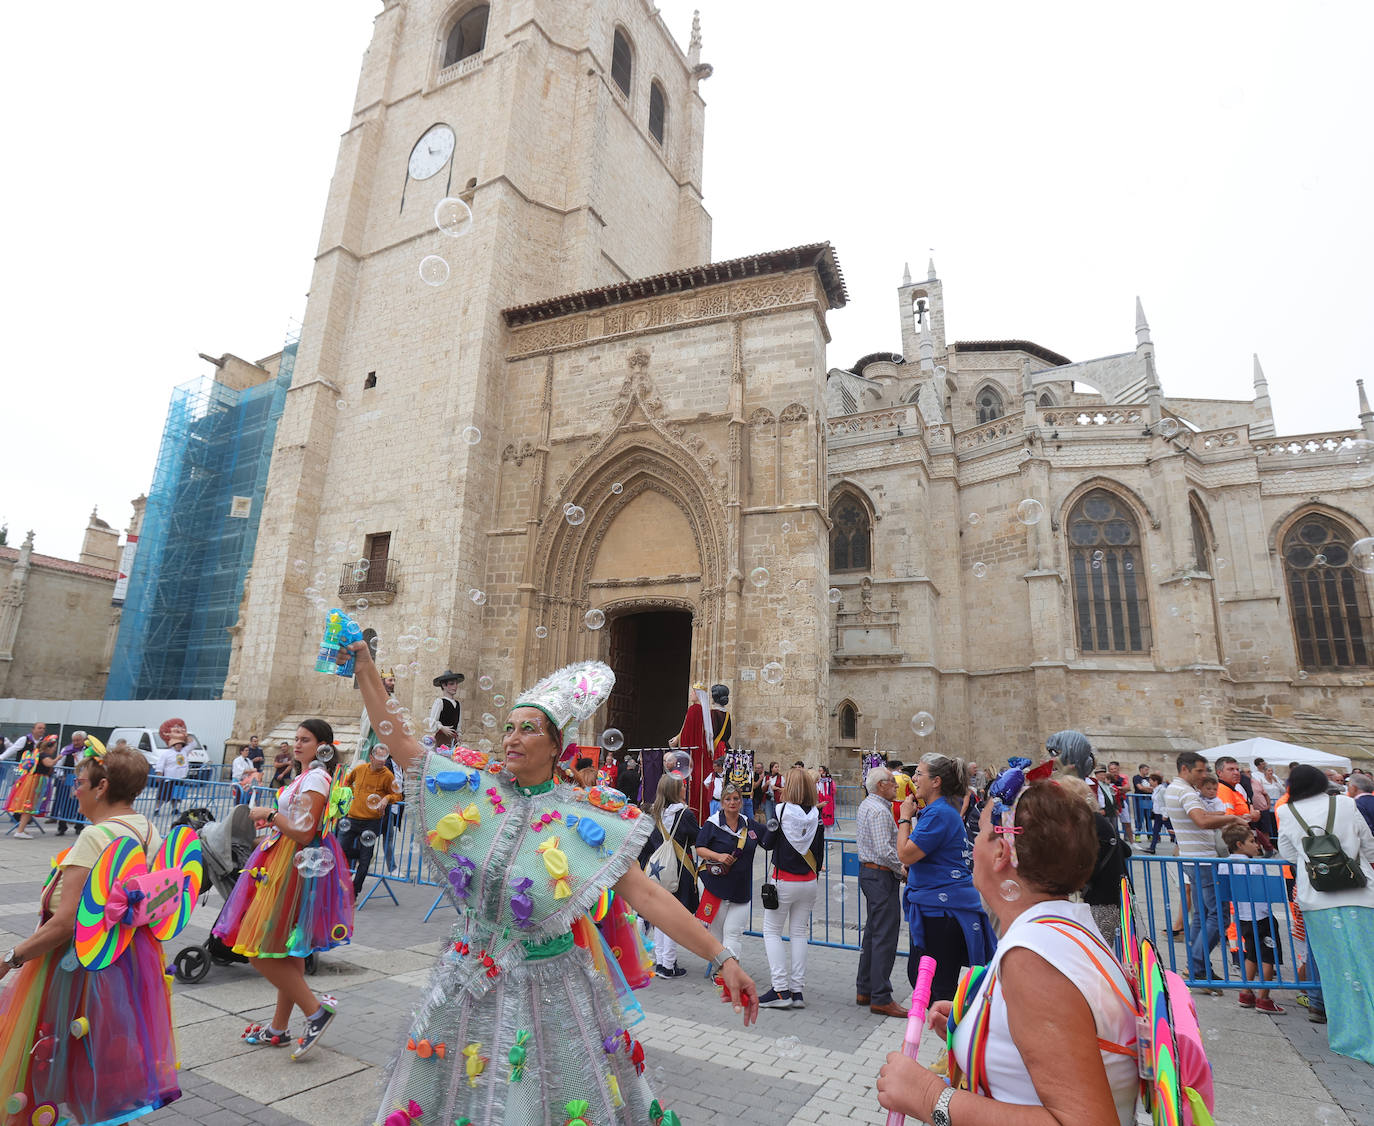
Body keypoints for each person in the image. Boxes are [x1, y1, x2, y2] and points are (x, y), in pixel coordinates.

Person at [349, 645, 758, 1124]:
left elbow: (648, 896)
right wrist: (364, 669)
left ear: (556, 746)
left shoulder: (584, 818)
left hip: (550, 992)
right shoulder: (476, 789)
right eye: (509, 727)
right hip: (465, 983)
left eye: (528, 729)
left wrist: (721, 956)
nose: (512, 738)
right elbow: (402, 743)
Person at [876, 773, 1141, 1126]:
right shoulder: (1065, 926)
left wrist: (930, 1098)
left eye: (982, 834)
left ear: (1002, 852)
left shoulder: (1034, 958)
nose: (973, 847)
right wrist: (977, 1021)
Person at [0, 745, 180, 1122]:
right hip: (125, 964)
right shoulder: (149, 829)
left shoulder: (95, 838)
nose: (73, 790)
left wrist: (11, 958)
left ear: (101, 787)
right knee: (100, 1057)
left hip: (75, 966)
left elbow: (66, 923)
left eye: (79, 783)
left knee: (50, 1057)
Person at [212, 719, 354, 1058]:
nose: (298, 743)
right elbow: (297, 827)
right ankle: (278, 1028)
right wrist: (272, 832)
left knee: (257, 948)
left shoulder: (317, 778)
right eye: (297, 737)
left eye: (305, 739)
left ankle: (316, 1013)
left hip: (294, 866)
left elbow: (305, 833)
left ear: (324, 746)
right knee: (287, 951)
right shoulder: (305, 776)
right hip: (284, 859)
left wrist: (271, 815)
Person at [1277, 764, 1374, 1064]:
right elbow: (1368, 845)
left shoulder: (1286, 812)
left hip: (1317, 901)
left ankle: (1351, 1036)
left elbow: (1289, 855)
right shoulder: (1345, 803)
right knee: (1368, 963)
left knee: (1338, 973)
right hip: (1360, 895)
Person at [897, 752, 994, 1003]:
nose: (914, 778)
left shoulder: (938, 813)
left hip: (941, 911)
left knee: (935, 986)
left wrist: (905, 816)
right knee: (929, 980)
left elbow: (905, 854)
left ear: (936, 781)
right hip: (940, 906)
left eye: (919, 773)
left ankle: (951, 1038)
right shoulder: (941, 811)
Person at [1164, 752, 1245, 991]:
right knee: (1219, 916)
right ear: (1185, 769)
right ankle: (1196, 967)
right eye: (1199, 771)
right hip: (1203, 860)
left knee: (1201, 915)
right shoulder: (1187, 791)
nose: (1204, 776)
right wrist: (1232, 818)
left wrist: (1220, 815)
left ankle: (1198, 967)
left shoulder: (1175, 789)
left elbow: (1200, 816)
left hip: (1193, 858)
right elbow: (1201, 820)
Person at [759, 766, 825, 1009]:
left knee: (772, 931)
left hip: (784, 880)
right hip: (808, 881)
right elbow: (819, 853)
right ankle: (797, 991)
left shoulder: (780, 810)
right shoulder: (816, 815)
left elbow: (767, 843)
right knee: (799, 933)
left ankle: (780, 989)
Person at [855, 766, 907, 1018]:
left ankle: (865, 989)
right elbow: (885, 850)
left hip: (872, 874)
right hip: (879, 875)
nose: (897, 785)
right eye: (892, 782)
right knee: (884, 935)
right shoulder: (878, 810)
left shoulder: (870, 805)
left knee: (874, 932)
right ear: (880, 785)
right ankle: (881, 996)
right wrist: (902, 869)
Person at [1058, 775, 1131, 949]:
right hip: (1109, 897)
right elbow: (1125, 850)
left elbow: (1088, 866)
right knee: (1096, 952)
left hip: (1101, 900)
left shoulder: (1089, 823)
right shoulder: (1097, 819)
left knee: (1096, 953)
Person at [640, 773, 701, 978]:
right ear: (676, 791)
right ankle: (669, 964)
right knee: (674, 918)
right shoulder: (685, 814)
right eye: (682, 786)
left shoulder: (654, 813)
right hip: (679, 871)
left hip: (658, 870)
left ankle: (660, 960)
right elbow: (697, 838)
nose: (685, 789)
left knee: (660, 917)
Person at [1220, 823, 1285, 1013]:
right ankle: (1264, 998)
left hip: (1242, 917)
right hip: (1261, 916)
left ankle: (1246, 992)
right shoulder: (1253, 866)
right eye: (1252, 841)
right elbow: (1264, 892)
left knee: (1251, 954)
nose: (1257, 845)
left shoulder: (1224, 864)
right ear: (1240, 844)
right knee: (1268, 957)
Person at [695, 782, 759, 964]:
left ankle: (729, 971)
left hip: (741, 888)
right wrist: (718, 856)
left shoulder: (749, 824)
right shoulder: (712, 824)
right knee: (717, 932)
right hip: (716, 887)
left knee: (733, 932)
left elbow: (769, 840)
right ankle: (720, 969)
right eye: (728, 799)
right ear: (722, 802)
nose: (732, 802)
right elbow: (699, 848)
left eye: (736, 799)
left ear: (741, 802)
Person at [340, 745, 399, 895]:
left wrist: (386, 798)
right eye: (379, 757)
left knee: (364, 863)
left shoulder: (388, 775)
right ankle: (363, 854)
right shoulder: (359, 770)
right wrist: (351, 794)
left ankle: (354, 892)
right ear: (371, 757)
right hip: (352, 818)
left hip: (372, 822)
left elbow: (398, 795)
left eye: (384, 757)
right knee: (340, 850)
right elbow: (347, 782)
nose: (382, 761)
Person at [669, 683, 731, 820]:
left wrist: (678, 741)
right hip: (720, 749)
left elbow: (688, 733)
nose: (691, 694)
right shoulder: (715, 713)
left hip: (705, 752)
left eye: (692, 692)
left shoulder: (697, 710)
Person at [5, 734, 58, 838]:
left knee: (29, 807)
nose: (54, 750)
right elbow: (49, 764)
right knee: (29, 807)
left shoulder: (38, 753)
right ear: (49, 747)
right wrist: (59, 757)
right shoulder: (44, 756)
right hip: (36, 782)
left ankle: (21, 829)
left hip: (34, 781)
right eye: (54, 748)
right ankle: (20, 831)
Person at [49, 730, 86, 835]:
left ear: (84, 740)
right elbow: (59, 765)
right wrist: (61, 776)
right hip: (68, 778)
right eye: (74, 740)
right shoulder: (66, 749)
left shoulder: (88, 751)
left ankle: (79, 826)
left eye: (78, 740)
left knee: (81, 803)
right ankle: (62, 827)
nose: (76, 743)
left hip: (82, 780)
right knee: (64, 803)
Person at [153, 718, 193, 816]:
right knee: (163, 795)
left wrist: (184, 734)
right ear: (173, 744)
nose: (179, 746)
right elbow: (160, 764)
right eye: (177, 744)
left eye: (180, 744)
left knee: (177, 796)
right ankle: (157, 809)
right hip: (169, 778)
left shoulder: (184, 752)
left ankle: (175, 809)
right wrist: (159, 774)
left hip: (180, 777)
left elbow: (193, 744)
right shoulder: (167, 753)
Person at [428, 669, 465, 745]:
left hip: (453, 741)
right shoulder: (440, 702)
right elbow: (432, 722)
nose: (455, 686)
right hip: (441, 740)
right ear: (444, 685)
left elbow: (458, 725)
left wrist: (459, 736)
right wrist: (441, 727)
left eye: (456, 683)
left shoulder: (458, 704)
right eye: (452, 684)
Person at [1145, 771, 1176, 854]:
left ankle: (1180, 845)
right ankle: (1152, 848)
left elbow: (1166, 802)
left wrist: (1165, 814)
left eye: (1151, 780)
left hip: (1163, 814)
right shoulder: (1156, 790)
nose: (1149, 782)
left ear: (1155, 781)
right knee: (1155, 831)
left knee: (1171, 831)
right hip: (1157, 813)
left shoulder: (1162, 790)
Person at [1131, 763, 1154, 837]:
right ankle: (1138, 835)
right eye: (1146, 770)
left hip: (1148, 800)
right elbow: (1140, 788)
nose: (1147, 771)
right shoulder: (1136, 778)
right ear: (1141, 770)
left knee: (1148, 818)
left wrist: (1147, 789)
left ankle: (1150, 834)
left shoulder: (1148, 778)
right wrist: (1148, 789)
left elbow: (1153, 788)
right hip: (1139, 800)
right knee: (1139, 818)